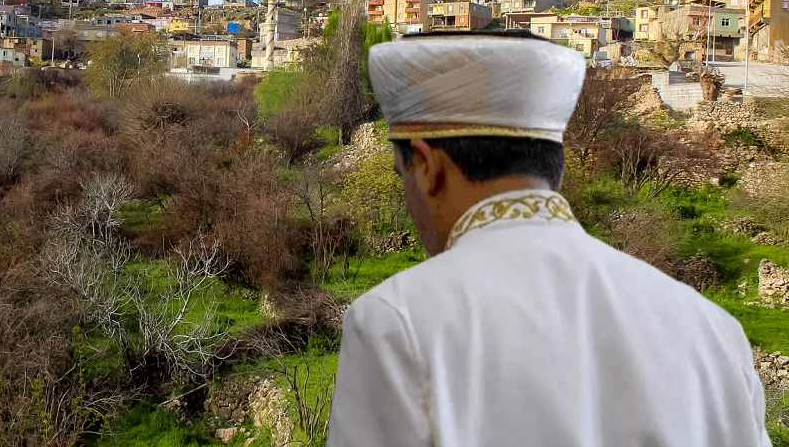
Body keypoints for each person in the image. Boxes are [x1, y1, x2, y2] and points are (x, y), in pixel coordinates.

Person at [326, 31, 770, 447]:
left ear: (426, 166)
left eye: (401, 174)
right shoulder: (713, 330)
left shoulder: (395, 322)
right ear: (552, 164)